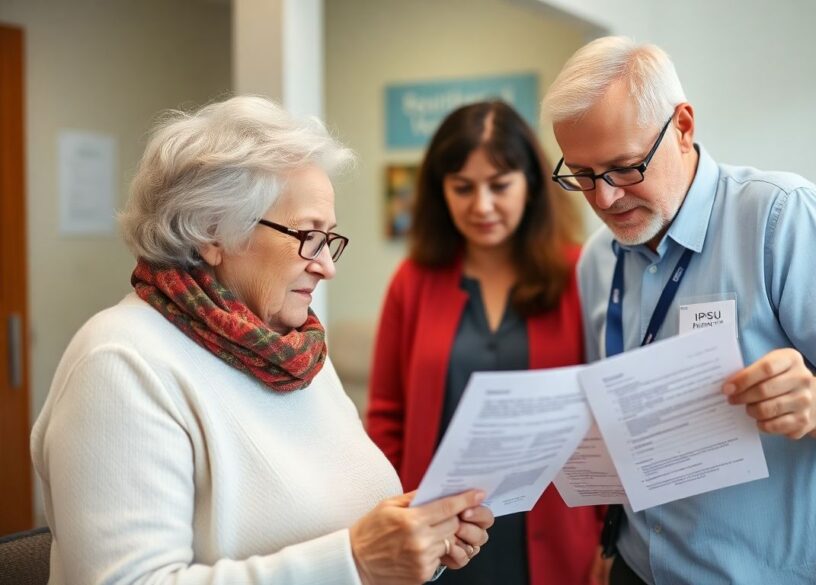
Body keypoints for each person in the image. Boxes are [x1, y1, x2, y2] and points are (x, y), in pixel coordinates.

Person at [30, 96, 493, 585]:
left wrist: (417, 544)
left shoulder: (293, 350)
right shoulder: (120, 363)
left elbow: (350, 531)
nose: (326, 266)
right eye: (307, 236)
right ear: (213, 232)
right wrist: (355, 562)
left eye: (329, 238)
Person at [542, 37, 816, 584]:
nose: (604, 200)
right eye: (581, 175)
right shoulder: (596, 262)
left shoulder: (779, 217)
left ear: (682, 126)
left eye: (625, 168)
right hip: (637, 565)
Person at [366, 101, 605, 585]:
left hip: (558, 538)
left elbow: (607, 417)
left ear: (532, 184)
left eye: (499, 186)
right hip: (436, 538)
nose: (482, 206)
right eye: (462, 188)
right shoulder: (411, 283)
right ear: (439, 191)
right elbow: (387, 416)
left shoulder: (582, 274)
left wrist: (611, 535)